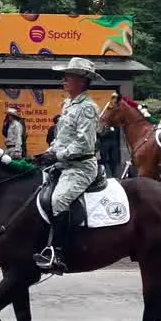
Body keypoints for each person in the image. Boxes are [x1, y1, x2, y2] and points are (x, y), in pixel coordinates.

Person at [32, 57, 102, 274]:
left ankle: (59, 253)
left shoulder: (88, 108)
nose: (64, 80)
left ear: (81, 81)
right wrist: (48, 151)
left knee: (58, 199)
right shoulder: (68, 105)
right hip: (62, 163)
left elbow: (84, 143)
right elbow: (62, 136)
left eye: (69, 77)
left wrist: (57, 155)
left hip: (80, 167)